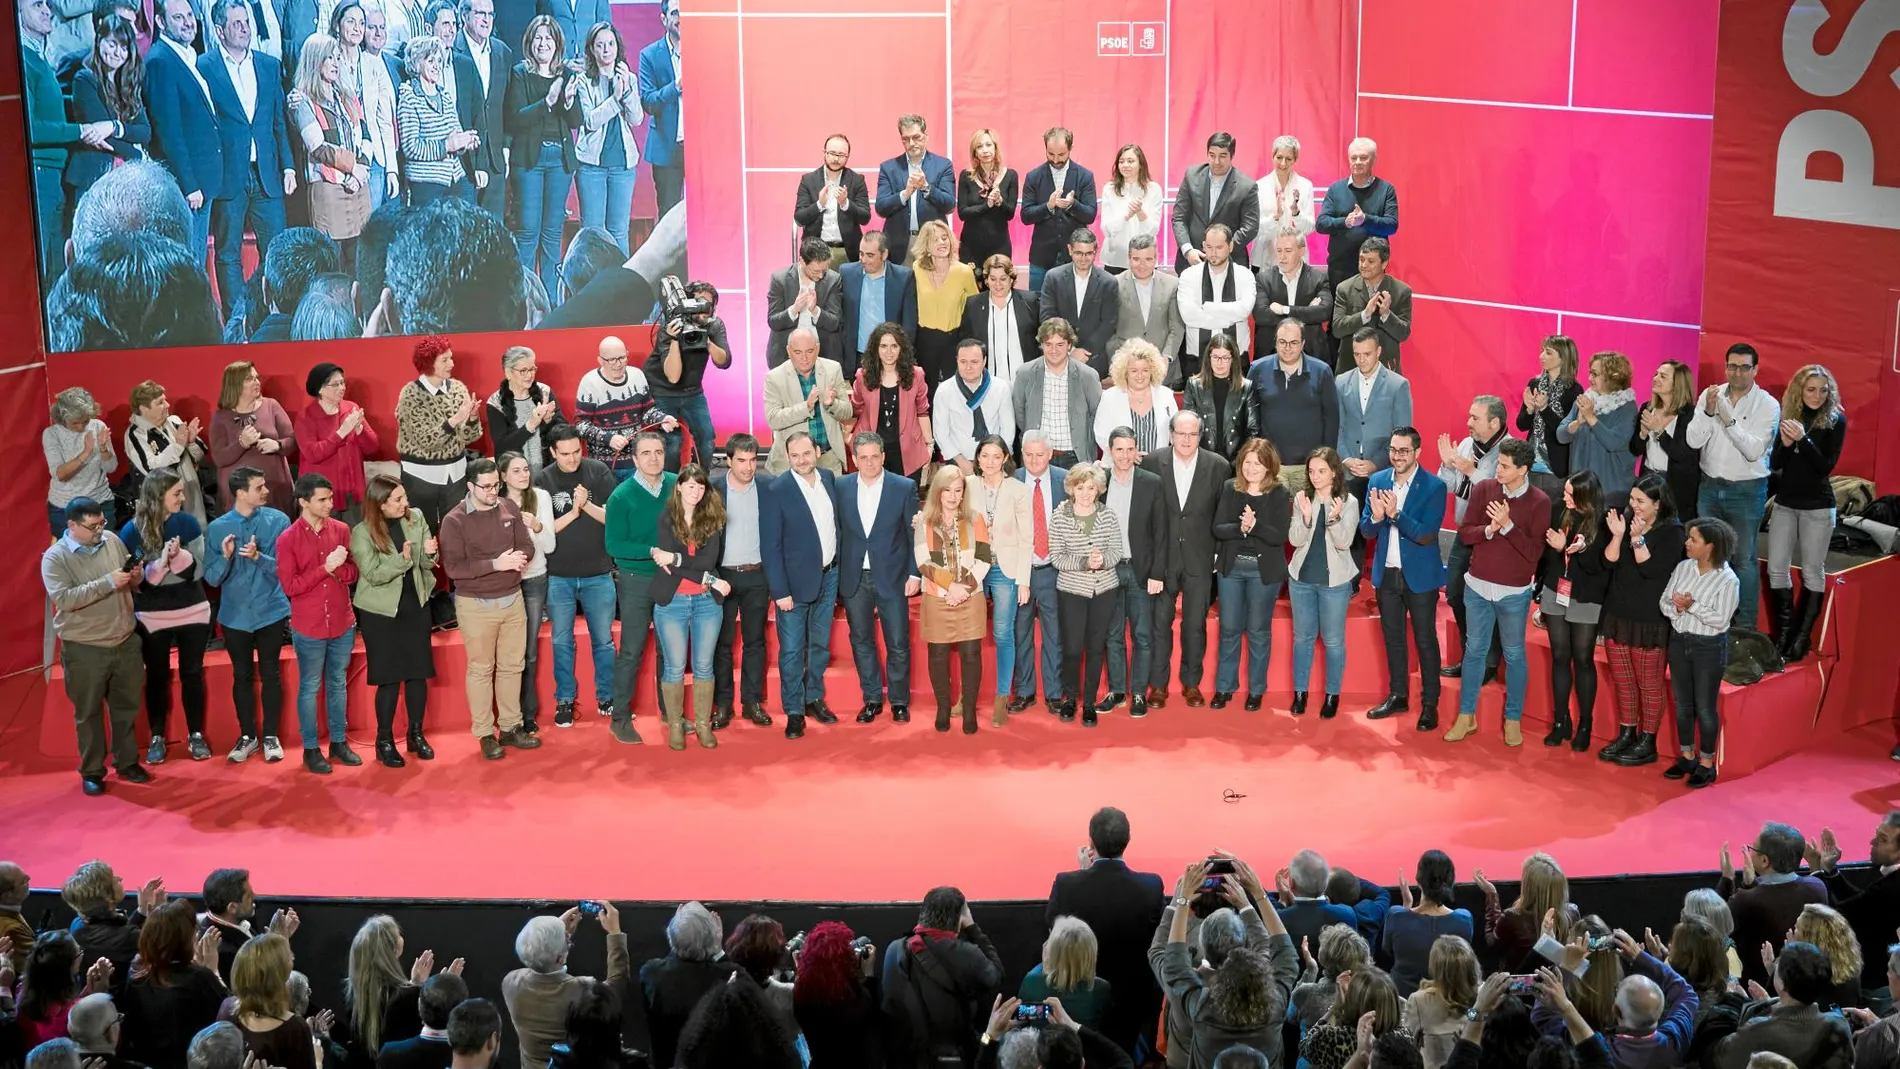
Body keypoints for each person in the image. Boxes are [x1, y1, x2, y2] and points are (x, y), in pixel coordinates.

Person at [1445, 438, 1549, 745]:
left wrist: (1506, 526)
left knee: (1514, 654)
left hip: (1514, 593)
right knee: (1474, 651)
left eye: (1504, 466)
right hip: (1477, 586)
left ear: (1523, 470)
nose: (1498, 470)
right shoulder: (1485, 489)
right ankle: (1467, 716)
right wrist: (1488, 530)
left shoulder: (1540, 501)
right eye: (1499, 464)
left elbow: (1534, 554)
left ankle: (1513, 718)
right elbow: (1465, 534)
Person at [43, 497, 147, 795]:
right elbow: (65, 599)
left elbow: (127, 582)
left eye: (102, 522)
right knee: (88, 713)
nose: (100, 530)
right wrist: (109, 582)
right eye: (92, 527)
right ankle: (92, 771)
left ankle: (127, 762)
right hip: (84, 648)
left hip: (125, 639)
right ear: (72, 525)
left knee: (126, 707)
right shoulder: (54, 558)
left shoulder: (112, 540)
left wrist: (134, 578)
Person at [438, 457, 539, 759]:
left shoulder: (509, 508)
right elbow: (454, 569)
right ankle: (484, 733)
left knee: (512, 667)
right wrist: (497, 563)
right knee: (482, 670)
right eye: (486, 487)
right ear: (470, 486)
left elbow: (528, 546)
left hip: (512, 598)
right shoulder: (454, 520)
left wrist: (520, 557)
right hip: (475, 604)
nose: (493, 491)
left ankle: (511, 727)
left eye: (496, 484)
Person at [199, 0, 294, 321]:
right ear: (219, 30)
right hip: (228, 175)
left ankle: (273, 319)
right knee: (228, 255)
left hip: (266, 174)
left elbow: (278, 122)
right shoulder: (205, 66)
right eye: (236, 23)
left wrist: (289, 166)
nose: (245, 28)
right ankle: (238, 322)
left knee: (278, 252)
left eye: (247, 22)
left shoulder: (268, 65)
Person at [1155, 856, 1298, 1067]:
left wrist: (1181, 900)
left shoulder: (1201, 1005)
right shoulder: (1274, 1002)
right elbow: (1283, 951)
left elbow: (1167, 957)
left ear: (1207, 952)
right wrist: (1254, 898)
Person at [1044, 808, 1165, 1053]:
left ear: (1091, 842)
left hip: (1079, 990)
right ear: (1127, 841)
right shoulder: (1151, 886)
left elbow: (1053, 925)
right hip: (1135, 1000)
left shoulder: (1068, 883)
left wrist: (1083, 873)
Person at [119, 473, 214, 766]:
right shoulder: (130, 530)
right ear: (158, 496)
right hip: (151, 616)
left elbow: (199, 572)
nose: (182, 499)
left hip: (193, 610)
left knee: (192, 674)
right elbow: (137, 583)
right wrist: (160, 564)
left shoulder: (187, 523)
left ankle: (196, 734)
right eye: (177, 493)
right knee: (157, 676)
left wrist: (180, 556)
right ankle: (157, 736)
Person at [1595, 474, 1686, 768]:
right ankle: (1627, 733)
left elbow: (1650, 569)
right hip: (1618, 614)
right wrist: (1619, 536)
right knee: (1623, 681)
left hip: (1649, 619)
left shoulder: (1673, 533)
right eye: (1632, 499)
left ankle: (1648, 741)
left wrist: (1635, 539)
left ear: (1658, 505)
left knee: (1648, 684)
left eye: (1640, 502)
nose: (1633, 505)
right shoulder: (1625, 521)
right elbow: (1607, 562)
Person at [1687, 342, 1778, 631]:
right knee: (1706, 554)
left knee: (1744, 559)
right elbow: (1693, 440)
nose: (1736, 373)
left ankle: (1744, 628)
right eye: (1732, 366)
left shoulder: (1768, 404)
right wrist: (1708, 412)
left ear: (1755, 369)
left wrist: (1728, 419)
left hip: (1746, 491)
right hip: (1710, 486)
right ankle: (1705, 619)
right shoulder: (1709, 395)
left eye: (1744, 367)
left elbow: (1753, 451)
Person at [202, 469, 292, 763]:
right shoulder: (217, 529)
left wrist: (257, 557)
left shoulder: (278, 521)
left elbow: (285, 569)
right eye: (259, 486)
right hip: (235, 615)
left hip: (271, 610)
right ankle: (247, 736)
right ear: (240, 493)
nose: (266, 490)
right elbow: (212, 579)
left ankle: (270, 736)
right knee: (241, 676)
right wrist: (226, 557)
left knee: (271, 674)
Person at [1360, 427, 1447, 731]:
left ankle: (1430, 703)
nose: (1397, 456)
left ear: (1417, 453)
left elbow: (1426, 535)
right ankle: (1398, 695)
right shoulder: (1378, 480)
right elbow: (1366, 531)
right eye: (1393, 450)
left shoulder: (1435, 486)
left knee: (1425, 640)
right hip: (1387, 576)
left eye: (1403, 451)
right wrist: (1376, 518)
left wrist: (1395, 515)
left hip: (1421, 578)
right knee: (1394, 639)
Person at [1144, 411, 1232, 709]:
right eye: (1180, 433)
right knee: (1159, 625)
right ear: (1170, 434)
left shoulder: (1218, 466)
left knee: (1195, 626)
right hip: (1162, 560)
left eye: (1192, 434)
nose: (1186, 439)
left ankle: (1191, 684)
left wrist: (1218, 554)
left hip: (1200, 558)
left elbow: (1223, 513)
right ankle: (1158, 685)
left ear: (1200, 436)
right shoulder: (1153, 462)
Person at [532, 427, 619, 729]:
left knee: (604, 641)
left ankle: (608, 698)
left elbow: (613, 518)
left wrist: (586, 505)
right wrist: (573, 511)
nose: (572, 459)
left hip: (598, 572)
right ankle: (565, 700)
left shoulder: (599, 472)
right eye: (564, 454)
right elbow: (541, 528)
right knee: (561, 640)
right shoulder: (542, 480)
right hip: (559, 575)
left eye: (576, 452)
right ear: (553, 453)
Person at [350, 475, 438, 768]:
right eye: (398, 500)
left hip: (416, 605)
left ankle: (416, 734)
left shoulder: (417, 518)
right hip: (382, 613)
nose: (405, 504)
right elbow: (373, 574)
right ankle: (384, 741)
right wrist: (402, 560)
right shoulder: (362, 532)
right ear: (381, 504)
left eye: (404, 497)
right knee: (388, 678)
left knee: (417, 673)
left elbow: (426, 563)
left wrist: (429, 553)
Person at [276, 474, 361, 774]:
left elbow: (353, 572)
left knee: (337, 683)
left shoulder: (341, 530)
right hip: (309, 625)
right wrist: (326, 569)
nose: (330, 504)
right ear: (303, 502)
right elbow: (290, 586)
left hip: (341, 620)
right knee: (310, 686)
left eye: (330, 498)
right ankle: (311, 749)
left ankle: (339, 742)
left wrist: (341, 571)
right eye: (322, 499)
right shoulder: (288, 539)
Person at [836, 434, 919, 725]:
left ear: (883, 456)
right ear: (854, 459)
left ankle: (899, 701)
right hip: (854, 578)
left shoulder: (904, 487)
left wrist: (914, 572)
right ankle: (871, 698)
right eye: (863, 457)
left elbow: (913, 535)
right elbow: (838, 533)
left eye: (875, 456)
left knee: (897, 642)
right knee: (861, 640)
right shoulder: (841, 486)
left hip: (893, 577)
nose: (869, 463)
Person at [761, 431, 840, 739]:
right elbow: (771, 546)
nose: (802, 460)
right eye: (795, 456)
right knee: (793, 650)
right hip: (792, 587)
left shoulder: (829, 479)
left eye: (806, 453)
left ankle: (813, 698)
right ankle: (794, 710)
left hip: (829, 576)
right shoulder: (777, 489)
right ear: (787, 456)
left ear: (817, 451)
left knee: (819, 646)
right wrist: (779, 591)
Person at [647, 465, 731, 751]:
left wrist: (676, 560)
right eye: (690, 485)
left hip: (707, 603)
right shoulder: (666, 519)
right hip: (673, 603)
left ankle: (704, 724)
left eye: (700, 486)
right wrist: (709, 578)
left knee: (705, 666)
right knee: (673, 667)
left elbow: (705, 562)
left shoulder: (713, 518)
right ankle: (675, 724)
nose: (696, 491)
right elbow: (687, 567)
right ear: (679, 487)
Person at [1767, 364, 1846, 663]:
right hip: (1786, 503)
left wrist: (1803, 439)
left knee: (1813, 569)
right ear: (1799, 389)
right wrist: (1787, 444)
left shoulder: (1836, 421)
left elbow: (1825, 467)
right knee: (1777, 568)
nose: (1817, 395)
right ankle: (1784, 634)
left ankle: (1802, 636)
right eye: (1811, 389)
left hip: (1818, 507)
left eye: (1823, 390)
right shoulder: (1789, 416)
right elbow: (1775, 462)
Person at [1435, 396, 1512, 683]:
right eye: (1469, 416)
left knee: (1487, 600)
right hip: (1465, 532)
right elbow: (1448, 486)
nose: (1467, 423)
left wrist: (1471, 471)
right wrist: (1447, 465)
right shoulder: (1468, 446)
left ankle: (1489, 662)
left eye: (1474, 418)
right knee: (1454, 592)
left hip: (1495, 538)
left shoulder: (1510, 450)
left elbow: (1502, 493)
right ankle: (1472, 656)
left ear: (1494, 422)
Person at [880, 888, 1003, 1066]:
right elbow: (996, 974)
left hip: (905, 1058)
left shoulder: (894, 950)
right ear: (959, 919)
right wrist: (973, 928)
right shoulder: (967, 954)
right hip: (953, 1059)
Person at [1661, 517, 1741, 789]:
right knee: (1682, 705)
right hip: (1678, 641)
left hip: (1708, 647)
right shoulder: (1683, 567)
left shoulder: (1728, 580)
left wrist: (1691, 606)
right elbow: (1665, 602)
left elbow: (1721, 620)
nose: (1687, 543)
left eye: (1693, 539)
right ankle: (1687, 756)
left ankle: (1707, 764)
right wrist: (1678, 609)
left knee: (1705, 708)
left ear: (1710, 546)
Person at [1212, 439, 1290, 711]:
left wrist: (1254, 526)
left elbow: (1280, 535)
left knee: (1258, 631)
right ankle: (1224, 687)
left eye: (1257, 463)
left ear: (1269, 465)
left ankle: (1256, 690)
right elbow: (1218, 528)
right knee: (1229, 629)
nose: (1251, 468)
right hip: (1231, 569)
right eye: (1247, 462)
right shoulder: (1230, 488)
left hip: (1263, 572)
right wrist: (1240, 528)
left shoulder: (1279, 492)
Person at [911, 465, 991, 734]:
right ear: (938, 491)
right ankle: (943, 707)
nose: (953, 496)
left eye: (958, 490)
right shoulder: (924, 521)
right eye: (947, 490)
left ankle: (968, 709)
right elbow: (923, 562)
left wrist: (963, 589)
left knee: (971, 653)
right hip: (937, 596)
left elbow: (983, 558)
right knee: (938, 654)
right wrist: (950, 588)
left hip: (971, 596)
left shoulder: (975, 519)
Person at [1097, 428, 1169, 724]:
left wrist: (1156, 573)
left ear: (1137, 450)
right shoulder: (1100, 483)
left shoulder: (1151, 483)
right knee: (1112, 635)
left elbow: (1161, 533)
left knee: (1142, 635)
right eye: (1119, 450)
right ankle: (1116, 691)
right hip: (1109, 571)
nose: (1125, 456)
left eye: (1130, 449)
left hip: (1141, 571)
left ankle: (1138, 692)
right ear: (1109, 451)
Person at [1537, 472, 1612, 751]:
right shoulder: (1559, 510)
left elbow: (1599, 567)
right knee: (1559, 655)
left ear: (1586, 496)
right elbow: (1548, 556)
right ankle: (1560, 720)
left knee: (1582, 659)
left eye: (1570, 493)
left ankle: (1585, 724)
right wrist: (1557, 551)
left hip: (1587, 596)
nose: (1564, 497)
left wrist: (1573, 550)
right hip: (1557, 590)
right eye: (1564, 491)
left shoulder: (1603, 522)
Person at [143, 0, 223, 256]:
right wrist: (189, 185)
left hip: (202, 180)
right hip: (187, 186)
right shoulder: (160, 61)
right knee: (189, 260)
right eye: (178, 17)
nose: (189, 22)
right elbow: (169, 131)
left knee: (196, 258)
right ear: (160, 22)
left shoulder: (187, 55)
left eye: (190, 15)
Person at [502, 906, 626, 1069]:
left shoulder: (511, 983)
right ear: (560, 959)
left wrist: (552, 933)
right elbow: (616, 985)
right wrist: (615, 934)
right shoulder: (584, 989)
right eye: (567, 941)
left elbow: (536, 959)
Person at [502, 15, 573, 295]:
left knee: (553, 234)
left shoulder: (565, 74)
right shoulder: (520, 73)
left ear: (557, 44)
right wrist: (548, 102)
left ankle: (551, 302)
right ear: (529, 43)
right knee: (528, 232)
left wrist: (568, 101)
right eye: (538, 38)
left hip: (560, 162)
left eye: (548, 38)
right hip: (530, 161)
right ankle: (526, 300)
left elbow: (575, 120)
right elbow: (515, 119)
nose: (543, 43)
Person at [1338, 328, 1414, 591]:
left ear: (1379, 351)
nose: (1361, 359)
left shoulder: (1398, 385)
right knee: (1344, 526)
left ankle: (1380, 582)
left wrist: (1375, 463)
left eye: (1367, 354)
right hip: (1347, 470)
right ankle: (1347, 582)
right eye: (1357, 354)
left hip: (1380, 471)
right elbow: (1335, 425)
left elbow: (1403, 433)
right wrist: (1346, 459)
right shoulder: (1340, 382)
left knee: (1374, 528)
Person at [1287, 448, 1359, 719]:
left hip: (1335, 582)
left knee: (1332, 641)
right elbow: (1294, 540)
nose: (1315, 476)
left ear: (1333, 472)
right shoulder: (1302, 498)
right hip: (1301, 579)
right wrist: (1305, 518)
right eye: (1311, 471)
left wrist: (1334, 518)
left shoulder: (1348, 501)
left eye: (1321, 471)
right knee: (1302, 638)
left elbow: (1343, 543)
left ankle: (1332, 695)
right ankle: (1300, 693)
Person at [1048, 465, 1124, 726]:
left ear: (1099, 489)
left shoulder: (1109, 516)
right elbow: (1056, 557)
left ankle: (1089, 702)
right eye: (1080, 488)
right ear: (1071, 488)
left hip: (1104, 589)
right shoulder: (1059, 517)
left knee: (1095, 648)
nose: (1085, 493)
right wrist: (1083, 562)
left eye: (1091, 488)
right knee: (1071, 648)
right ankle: (1070, 698)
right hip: (1072, 591)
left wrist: (1103, 559)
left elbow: (1117, 552)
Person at [287, 34, 372, 262]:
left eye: (337, 57)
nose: (336, 63)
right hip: (328, 189)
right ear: (315, 61)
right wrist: (353, 166)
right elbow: (317, 147)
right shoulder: (302, 101)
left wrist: (361, 171)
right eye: (329, 58)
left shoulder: (346, 96)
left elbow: (365, 136)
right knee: (332, 261)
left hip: (358, 187)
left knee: (359, 261)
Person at [1701, 942, 1852, 1069]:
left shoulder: (1756, 1031)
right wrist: (1766, 1005)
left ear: (1781, 983)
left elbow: (1718, 1059)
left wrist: (1730, 1000)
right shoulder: (1840, 1024)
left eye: (1778, 965)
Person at [1721, 823, 1832, 989]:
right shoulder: (1817, 887)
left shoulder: (1746, 899)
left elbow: (1716, 924)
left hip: (1757, 988)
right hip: (1810, 982)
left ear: (1765, 860)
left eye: (1753, 848)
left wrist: (1728, 879)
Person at [708, 435, 770, 730]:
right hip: (723, 576)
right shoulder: (713, 490)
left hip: (758, 575)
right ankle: (722, 705)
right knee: (723, 644)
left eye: (753, 459)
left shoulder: (769, 487)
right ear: (728, 460)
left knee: (755, 642)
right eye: (742, 460)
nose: (749, 467)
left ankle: (752, 702)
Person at [118, 901, 227, 1069]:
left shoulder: (137, 974)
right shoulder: (200, 978)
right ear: (185, 938)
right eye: (194, 931)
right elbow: (231, 1012)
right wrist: (214, 971)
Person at [395, 337, 485, 534]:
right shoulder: (411, 395)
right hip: (421, 476)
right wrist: (454, 420)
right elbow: (427, 441)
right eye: (445, 360)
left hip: (456, 474)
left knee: (456, 532)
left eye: (451, 358)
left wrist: (471, 418)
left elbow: (470, 437)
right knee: (422, 533)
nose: (452, 364)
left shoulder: (459, 389)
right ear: (428, 363)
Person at [644, 279, 731, 470]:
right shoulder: (670, 328)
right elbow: (673, 377)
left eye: (706, 306)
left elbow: (724, 361)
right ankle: (672, 487)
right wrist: (674, 339)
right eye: (697, 303)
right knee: (673, 442)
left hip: (693, 391)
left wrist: (706, 341)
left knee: (707, 437)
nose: (701, 310)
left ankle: (701, 482)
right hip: (663, 390)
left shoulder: (714, 326)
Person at [497, 452, 557, 732]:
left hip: (534, 579)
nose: (523, 475)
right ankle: (507, 714)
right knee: (506, 652)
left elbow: (549, 546)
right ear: (503, 476)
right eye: (516, 471)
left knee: (529, 651)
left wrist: (536, 525)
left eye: (526, 469)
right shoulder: (494, 502)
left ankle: (527, 713)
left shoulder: (541, 497)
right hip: (502, 583)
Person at [637, 904, 737, 1069]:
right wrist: (717, 949)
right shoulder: (728, 976)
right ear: (713, 940)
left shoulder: (650, 972)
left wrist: (679, 931)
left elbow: (667, 970)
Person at [1009, 431, 1067, 712]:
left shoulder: (1065, 480)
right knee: (1020, 633)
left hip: (1053, 570)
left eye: (1040, 454)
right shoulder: (1011, 481)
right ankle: (1024, 691)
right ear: (1022, 453)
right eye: (1028, 454)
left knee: (1054, 635)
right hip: (1020, 572)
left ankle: (1055, 693)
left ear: (1050, 454)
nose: (1034, 460)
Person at [64, 14, 149, 203]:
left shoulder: (128, 84)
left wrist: (114, 126)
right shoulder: (85, 79)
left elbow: (145, 132)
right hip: (93, 177)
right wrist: (138, 154)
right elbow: (100, 136)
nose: (118, 52)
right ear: (99, 41)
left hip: (126, 180)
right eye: (112, 44)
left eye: (124, 47)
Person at [568, 22, 638, 253]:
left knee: (619, 231)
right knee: (593, 232)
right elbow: (590, 121)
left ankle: (621, 287)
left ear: (617, 46)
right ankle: (594, 287)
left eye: (610, 44)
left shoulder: (630, 78)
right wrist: (615, 100)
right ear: (592, 50)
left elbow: (636, 119)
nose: (606, 50)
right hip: (592, 166)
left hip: (623, 165)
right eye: (600, 45)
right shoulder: (584, 81)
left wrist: (625, 92)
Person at [1249, 318, 1339, 492]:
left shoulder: (1322, 372)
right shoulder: (1257, 369)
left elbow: (1332, 419)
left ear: (1303, 343)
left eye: (1293, 342)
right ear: (1275, 341)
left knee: (1308, 518)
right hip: (1271, 466)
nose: (1287, 347)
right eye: (1282, 342)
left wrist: (1325, 463)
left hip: (1309, 470)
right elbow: (1251, 418)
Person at [574, 334, 676, 480]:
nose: (618, 364)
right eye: (612, 360)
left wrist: (663, 419)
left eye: (622, 358)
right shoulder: (589, 382)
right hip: (603, 465)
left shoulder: (637, 376)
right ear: (600, 361)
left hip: (636, 461)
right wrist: (608, 438)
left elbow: (647, 411)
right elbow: (580, 425)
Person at [331, 2, 399, 211]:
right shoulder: (329, 61)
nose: (357, 28)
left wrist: (392, 169)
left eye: (361, 23)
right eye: (351, 21)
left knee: (372, 229)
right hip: (340, 157)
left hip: (374, 158)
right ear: (337, 25)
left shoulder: (374, 64)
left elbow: (384, 121)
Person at [296, 363, 380, 526]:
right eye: (335, 384)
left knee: (355, 541)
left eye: (343, 382)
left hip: (353, 492)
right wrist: (341, 432)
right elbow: (313, 454)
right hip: (321, 495)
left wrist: (359, 430)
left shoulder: (351, 408)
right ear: (320, 389)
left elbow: (373, 447)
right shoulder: (306, 416)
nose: (341, 388)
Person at [1013, 319, 1105, 466]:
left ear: (1069, 345)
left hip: (1076, 457)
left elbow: (1097, 415)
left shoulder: (1088, 376)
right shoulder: (1025, 373)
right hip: (1038, 457)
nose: (1054, 350)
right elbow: (1020, 413)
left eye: (1060, 344)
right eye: (1048, 344)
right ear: (1041, 345)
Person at [764, 327, 855, 474]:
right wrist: (806, 407)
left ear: (818, 349)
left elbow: (847, 413)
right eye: (798, 352)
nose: (804, 358)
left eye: (809, 351)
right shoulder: (774, 377)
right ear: (788, 351)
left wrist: (832, 404)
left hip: (828, 459)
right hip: (791, 464)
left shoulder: (832, 369)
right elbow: (773, 419)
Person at [396, 36, 476, 204]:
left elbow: (455, 133)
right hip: (426, 181)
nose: (437, 66)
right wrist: (446, 145)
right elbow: (411, 148)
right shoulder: (409, 98)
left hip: (455, 176)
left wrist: (465, 142)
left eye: (439, 61)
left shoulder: (445, 96)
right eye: (431, 61)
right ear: (417, 64)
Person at [849, 324, 934, 481]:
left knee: (906, 501)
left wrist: (929, 445)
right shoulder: (863, 376)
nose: (889, 352)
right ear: (876, 348)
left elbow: (923, 411)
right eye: (883, 346)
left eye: (894, 346)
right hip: (872, 451)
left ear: (902, 348)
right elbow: (855, 409)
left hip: (908, 450)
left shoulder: (916, 374)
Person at [1383, 852, 1474, 998]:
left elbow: (1388, 950)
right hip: (1446, 1002)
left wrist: (1406, 906)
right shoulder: (1463, 919)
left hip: (1402, 1000)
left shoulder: (1396, 916)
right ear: (1450, 882)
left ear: (1418, 880)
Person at [1556, 351, 1639, 508]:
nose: (1589, 379)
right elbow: (1561, 435)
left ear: (1612, 377)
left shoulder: (1627, 407)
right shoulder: (1585, 400)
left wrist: (1591, 418)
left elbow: (1613, 443)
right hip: (1579, 489)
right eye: (1590, 373)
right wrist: (1577, 423)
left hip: (1609, 493)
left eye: (1595, 374)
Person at [449, 0, 509, 218]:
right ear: (464, 16)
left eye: (490, 14)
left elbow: (507, 106)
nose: (486, 20)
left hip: (495, 157)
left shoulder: (502, 52)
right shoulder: (451, 51)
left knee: (494, 230)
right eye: (480, 13)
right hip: (464, 158)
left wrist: (506, 147)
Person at [1019, 126, 1097, 290]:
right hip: (1041, 258)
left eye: (1061, 154)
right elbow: (1026, 215)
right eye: (1050, 154)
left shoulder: (1085, 176)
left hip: (1075, 258)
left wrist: (1072, 204)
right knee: (1039, 308)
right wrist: (1048, 206)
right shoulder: (1033, 177)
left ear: (1071, 148)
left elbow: (1090, 214)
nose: (1055, 160)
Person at [1631, 359, 1701, 541]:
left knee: (1670, 535)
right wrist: (1643, 434)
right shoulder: (1647, 408)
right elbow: (1635, 449)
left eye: (1663, 376)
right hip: (1648, 478)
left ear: (1677, 383)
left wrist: (1659, 431)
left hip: (1675, 485)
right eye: (1656, 374)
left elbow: (1681, 454)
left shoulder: (1690, 415)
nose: (1656, 378)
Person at [1317, 137, 1399, 290]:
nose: (1358, 162)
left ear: (1373, 160)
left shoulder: (1386, 189)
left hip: (1373, 269)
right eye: (1354, 158)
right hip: (1339, 269)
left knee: (1370, 313)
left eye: (1363, 157)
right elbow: (1321, 224)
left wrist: (1365, 220)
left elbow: (1391, 225)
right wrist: (1344, 222)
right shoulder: (1335, 189)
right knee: (1339, 313)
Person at [875, 113, 956, 266]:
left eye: (916, 137)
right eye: (906, 139)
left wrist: (926, 187)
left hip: (932, 244)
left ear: (926, 136)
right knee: (900, 289)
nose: (911, 143)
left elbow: (950, 205)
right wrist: (905, 194)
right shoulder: (888, 167)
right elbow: (881, 207)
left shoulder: (943, 165)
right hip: (898, 245)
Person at [1172, 131, 1260, 271]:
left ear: (1232, 156)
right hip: (1192, 260)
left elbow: (1250, 227)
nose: (1216, 161)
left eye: (1222, 156)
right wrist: (1187, 250)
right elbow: (1179, 218)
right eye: (1212, 155)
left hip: (1230, 263)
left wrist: (1221, 249)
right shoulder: (1191, 175)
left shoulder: (1247, 186)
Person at [227, 934, 317, 1069]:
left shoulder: (227, 1008)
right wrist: (319, 1061)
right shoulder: (295, 1029)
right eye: (288, 956)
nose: (293, 957)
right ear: (276, 976)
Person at [909, 219, 979, 391]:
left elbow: (975, 309)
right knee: (927, 392)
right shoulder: (917, 268)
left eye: (945, 237)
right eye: (936, 239)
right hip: (924, 341)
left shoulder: (964, 271)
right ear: (926, 244)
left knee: (955, 391)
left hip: (954, 340)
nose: (942, 242)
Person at [1178, 224, 1257, 376]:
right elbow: (1189, 316)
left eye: (1219, 247)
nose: (1213, 253)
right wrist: (1229, 318)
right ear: (1203, 246)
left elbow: (1244, 310)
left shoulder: (1245, 275)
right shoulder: (1189, 275)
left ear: (1231, 246)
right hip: (1197, 356)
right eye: (1209, 247)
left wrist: (1207, 308)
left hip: (1237, 356)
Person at [1040, 229, 1119, 377]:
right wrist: (1070, 349)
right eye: (1078, 253)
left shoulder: (1109, 282)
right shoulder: (1053, 277)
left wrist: (1083, 352)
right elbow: (1047, 317)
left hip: (1093, 359)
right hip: (1058, 355)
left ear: (1096, 251)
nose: (1083, 258)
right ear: (1070, 250)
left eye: (1088, 253)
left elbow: (1109, 322)